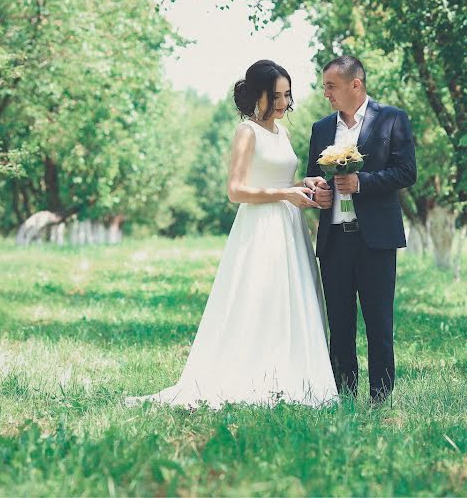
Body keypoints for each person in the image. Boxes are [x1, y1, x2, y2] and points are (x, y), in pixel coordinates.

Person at [126, 59, 338, 409]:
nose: (285, 103)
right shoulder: (247, 132)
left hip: (290, 226)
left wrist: (303, 184)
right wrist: (284, 194)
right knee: (258, 299)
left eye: (287, 95)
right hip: (259, 227)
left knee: (291, 299)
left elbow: (280, 181)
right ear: (258, 96)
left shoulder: (282, 133)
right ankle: (251, 375)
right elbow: (236, 190)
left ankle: (292, 375)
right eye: (277, 96)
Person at [304, 55, 417, 404]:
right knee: (339, 324)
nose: (327, 94)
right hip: (334, 239)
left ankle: (381, 398)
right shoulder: (321, 128)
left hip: (376, 240)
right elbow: (314, 176)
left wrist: (362, 182)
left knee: (379, 324)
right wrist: (318, 193)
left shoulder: (392, 119)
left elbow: (406, 172)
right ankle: (345, 396)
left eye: (331, 87)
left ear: (356, 85)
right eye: (324, 87)